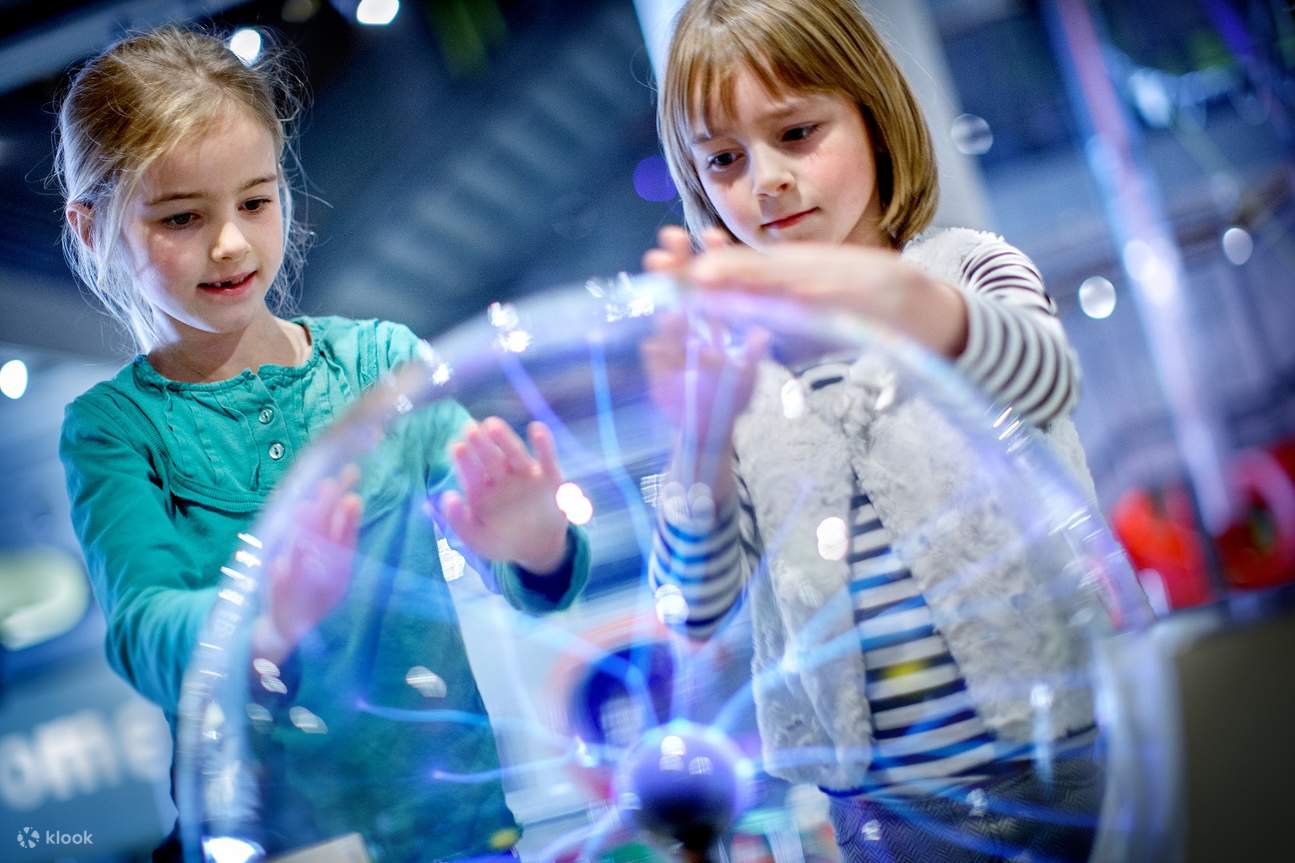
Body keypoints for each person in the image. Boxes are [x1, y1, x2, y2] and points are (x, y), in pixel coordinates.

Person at [54, 26, 588, 863]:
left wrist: (533, 539)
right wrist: (264, 619)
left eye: (255, 201)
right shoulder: (115, 428)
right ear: (92, 230)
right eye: (183, 217)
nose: (229, 242)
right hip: (271, 836)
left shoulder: (379, 362)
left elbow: (519, 566)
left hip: (455, 831)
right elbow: (144, 629)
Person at [641, 1, 1104, 861]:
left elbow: (1047, 381)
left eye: (797, 132)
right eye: (725, 159)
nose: (766, 178)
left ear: (872, 115)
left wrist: (909, 306)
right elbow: (691, 607)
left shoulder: (967, 270)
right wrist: (699, 433)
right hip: (887, 813)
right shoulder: (732, 367)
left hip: (1071, 755)